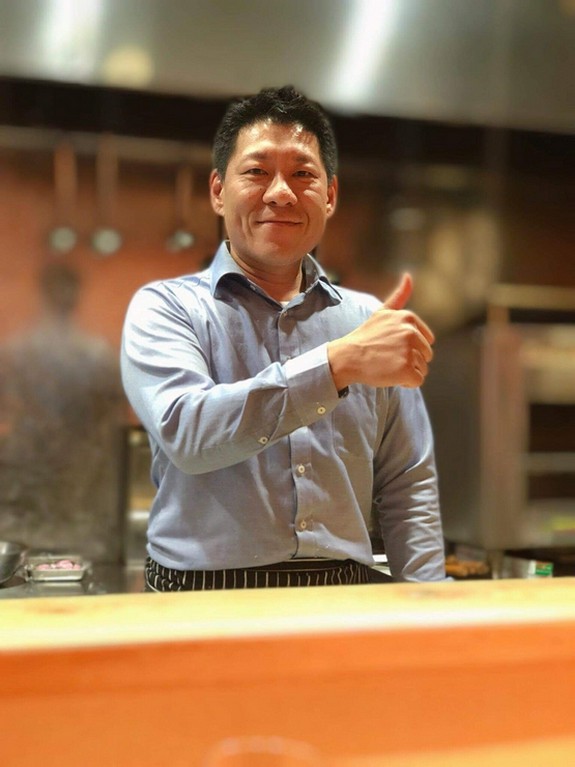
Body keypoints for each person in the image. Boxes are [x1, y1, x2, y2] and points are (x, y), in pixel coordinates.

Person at [121, 85, 447, 591]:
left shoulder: (367, 319)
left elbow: (408, 480)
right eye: (256, 171)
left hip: (343, 592)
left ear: (330, 196)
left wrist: (429, 606)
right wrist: (337, 365)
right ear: (218, 191)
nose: (280, 193)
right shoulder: (165, 308)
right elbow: (188, 434)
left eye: (302, 174)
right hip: (200, 594)